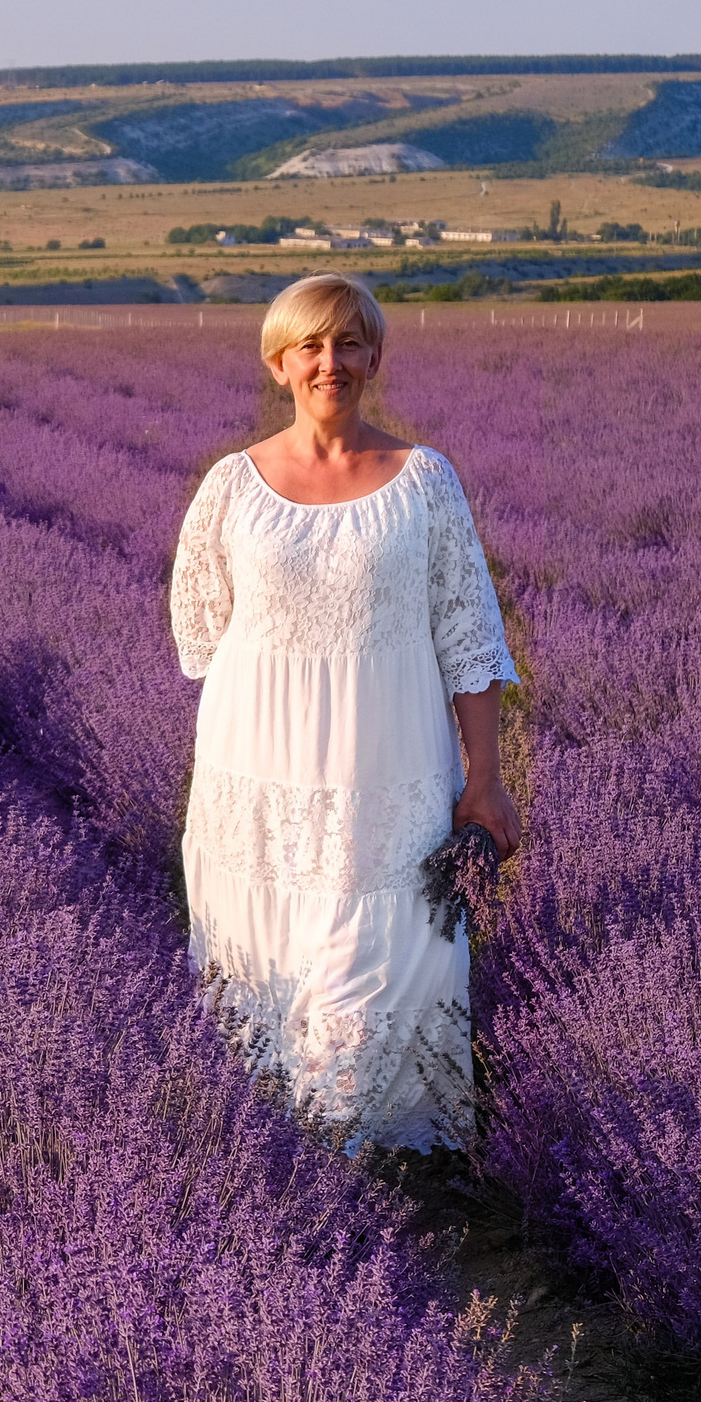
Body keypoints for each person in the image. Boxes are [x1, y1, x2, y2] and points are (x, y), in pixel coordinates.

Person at [169, 273, 519, 1152]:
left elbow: (470, 638)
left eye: (350, 343)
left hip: (386, 778)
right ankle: (280, 1177)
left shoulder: (425, 481)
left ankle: (370, 1166)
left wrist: (485, 781)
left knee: (366, 975)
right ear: (279, 363)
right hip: (258, 780)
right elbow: (204, 634)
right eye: (311, 346)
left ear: (374, 357)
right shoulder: (232, 487)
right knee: (262, 979)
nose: (332, 362)